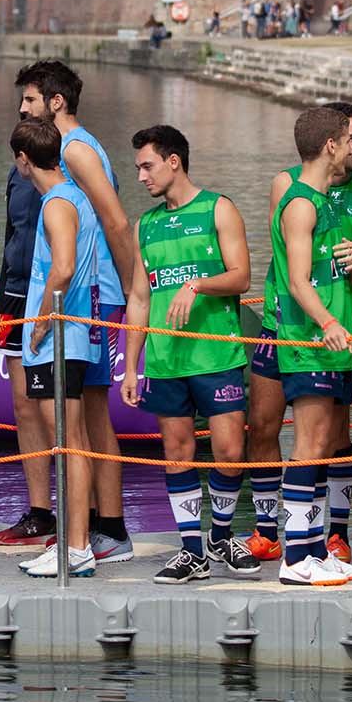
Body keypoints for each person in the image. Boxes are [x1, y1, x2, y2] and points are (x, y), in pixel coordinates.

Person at [244, 102, 352, 569]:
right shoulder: (302, 202)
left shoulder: (324, 200)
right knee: (307, 445)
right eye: (350, 139)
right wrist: (327, 322)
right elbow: (297, 280)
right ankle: (297, 555)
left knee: (321, 440)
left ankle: (316, 549)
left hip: (331, 339)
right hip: (309, 339)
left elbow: (333, 272)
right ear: (331, 145)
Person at [119, 125, 260, 583]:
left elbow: (241, 277)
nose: (141, 176)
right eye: (139, 168)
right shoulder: (145, 225)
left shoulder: (219, 208)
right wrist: (132, 366)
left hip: (217, 356)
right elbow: (140, 298)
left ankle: (220, 536)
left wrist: (196, 284)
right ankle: (192, 551)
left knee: (230, 451)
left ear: (174, 161)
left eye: (147, 166)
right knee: (177, 453)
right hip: (166, 360)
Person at [15, 60, 134, 562]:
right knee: (83, 419)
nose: (23, 108)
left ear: (56, 102)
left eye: (30, 100)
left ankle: (104, 531)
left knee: (88, 421)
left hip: (92, 297)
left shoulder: (74, 150)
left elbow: (117, 222)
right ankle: (91, 529)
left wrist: (134, 291)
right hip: (82, 294)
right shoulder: (61, 152)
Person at [10, 119, 101, 578]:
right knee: (72, 443)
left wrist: (43, 321)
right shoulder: (74, 197)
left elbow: (63, 268)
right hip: (69, 338)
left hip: (59, 341)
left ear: (24, 160)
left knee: (66, 444)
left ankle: (76, 546)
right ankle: (73, 542)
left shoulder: (58, 203)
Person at [0, 133, 55, 549]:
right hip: (16, 293)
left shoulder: (74, 159)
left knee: (57, 409)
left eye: (29, 102)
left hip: (54, 294)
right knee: (23, 404)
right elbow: (12, 235)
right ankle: (39, 511)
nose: (23, 108)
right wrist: (0, 303)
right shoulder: (19, 169)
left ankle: (81, 515)